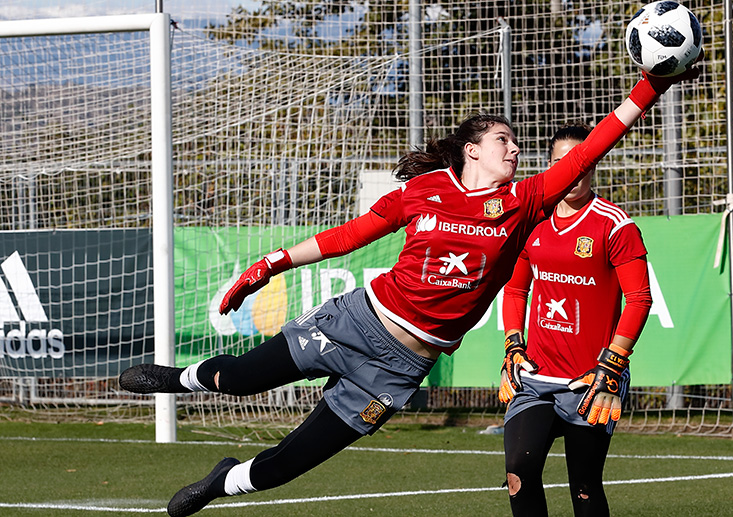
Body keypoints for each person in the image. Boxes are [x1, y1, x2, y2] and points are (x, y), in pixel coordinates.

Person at [118, 64, 698, 517]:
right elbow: (349, 237)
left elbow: (594, 146)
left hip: (396, 371)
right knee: (237, 380)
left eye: (517, 144)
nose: (515, 150)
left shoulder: (524, 202)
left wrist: (650, 86)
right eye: (504, 140)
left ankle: (222, 480)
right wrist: (272, 263)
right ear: (472, 149)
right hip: (357, 323)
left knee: (287, 465)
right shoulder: (424, 191)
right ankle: (175, 379)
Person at [497, 123, 653, 517]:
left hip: (591, 381)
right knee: (519, 471)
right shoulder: (532, 220)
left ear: (593, 165)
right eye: (560, 163)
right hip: (535, 378)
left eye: (580, 162)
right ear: (550, 167)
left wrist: (613, 361)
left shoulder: (614, 224)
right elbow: (515, 291)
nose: (572, 171)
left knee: (584, 486)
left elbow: (639, 299)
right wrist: (513, 344)